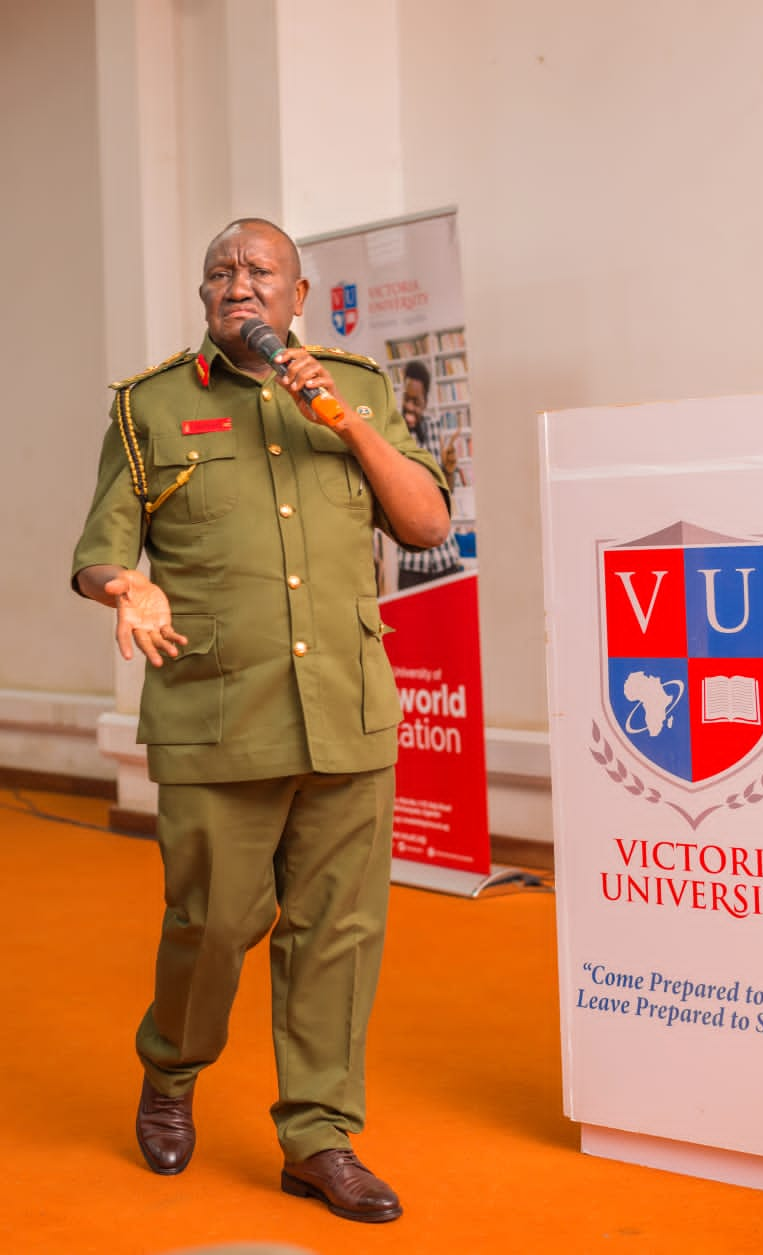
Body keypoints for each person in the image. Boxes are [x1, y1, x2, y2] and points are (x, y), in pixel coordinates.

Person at [71, 218, 451, 1225]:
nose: (237, 285)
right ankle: (173, 1068)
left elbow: (425, 524)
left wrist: (347, 423)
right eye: (220, 273)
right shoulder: (151, 406)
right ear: (204, 296)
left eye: (259, 272)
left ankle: (320, 1135)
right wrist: (123, 589)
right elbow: (100, 546)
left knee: (338, 931)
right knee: (214, 923)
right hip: (215, 715)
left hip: (348, 713)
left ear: (299, 294)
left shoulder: (359, 387)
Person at [397, 359, 465, 589]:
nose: (409, 406)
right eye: (407, 399)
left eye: (416, 401)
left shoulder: (436, 430)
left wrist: (448, 469)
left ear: (426, 402)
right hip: (411, 564)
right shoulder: (392, 434)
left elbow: (447, 493)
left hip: (445, 558)